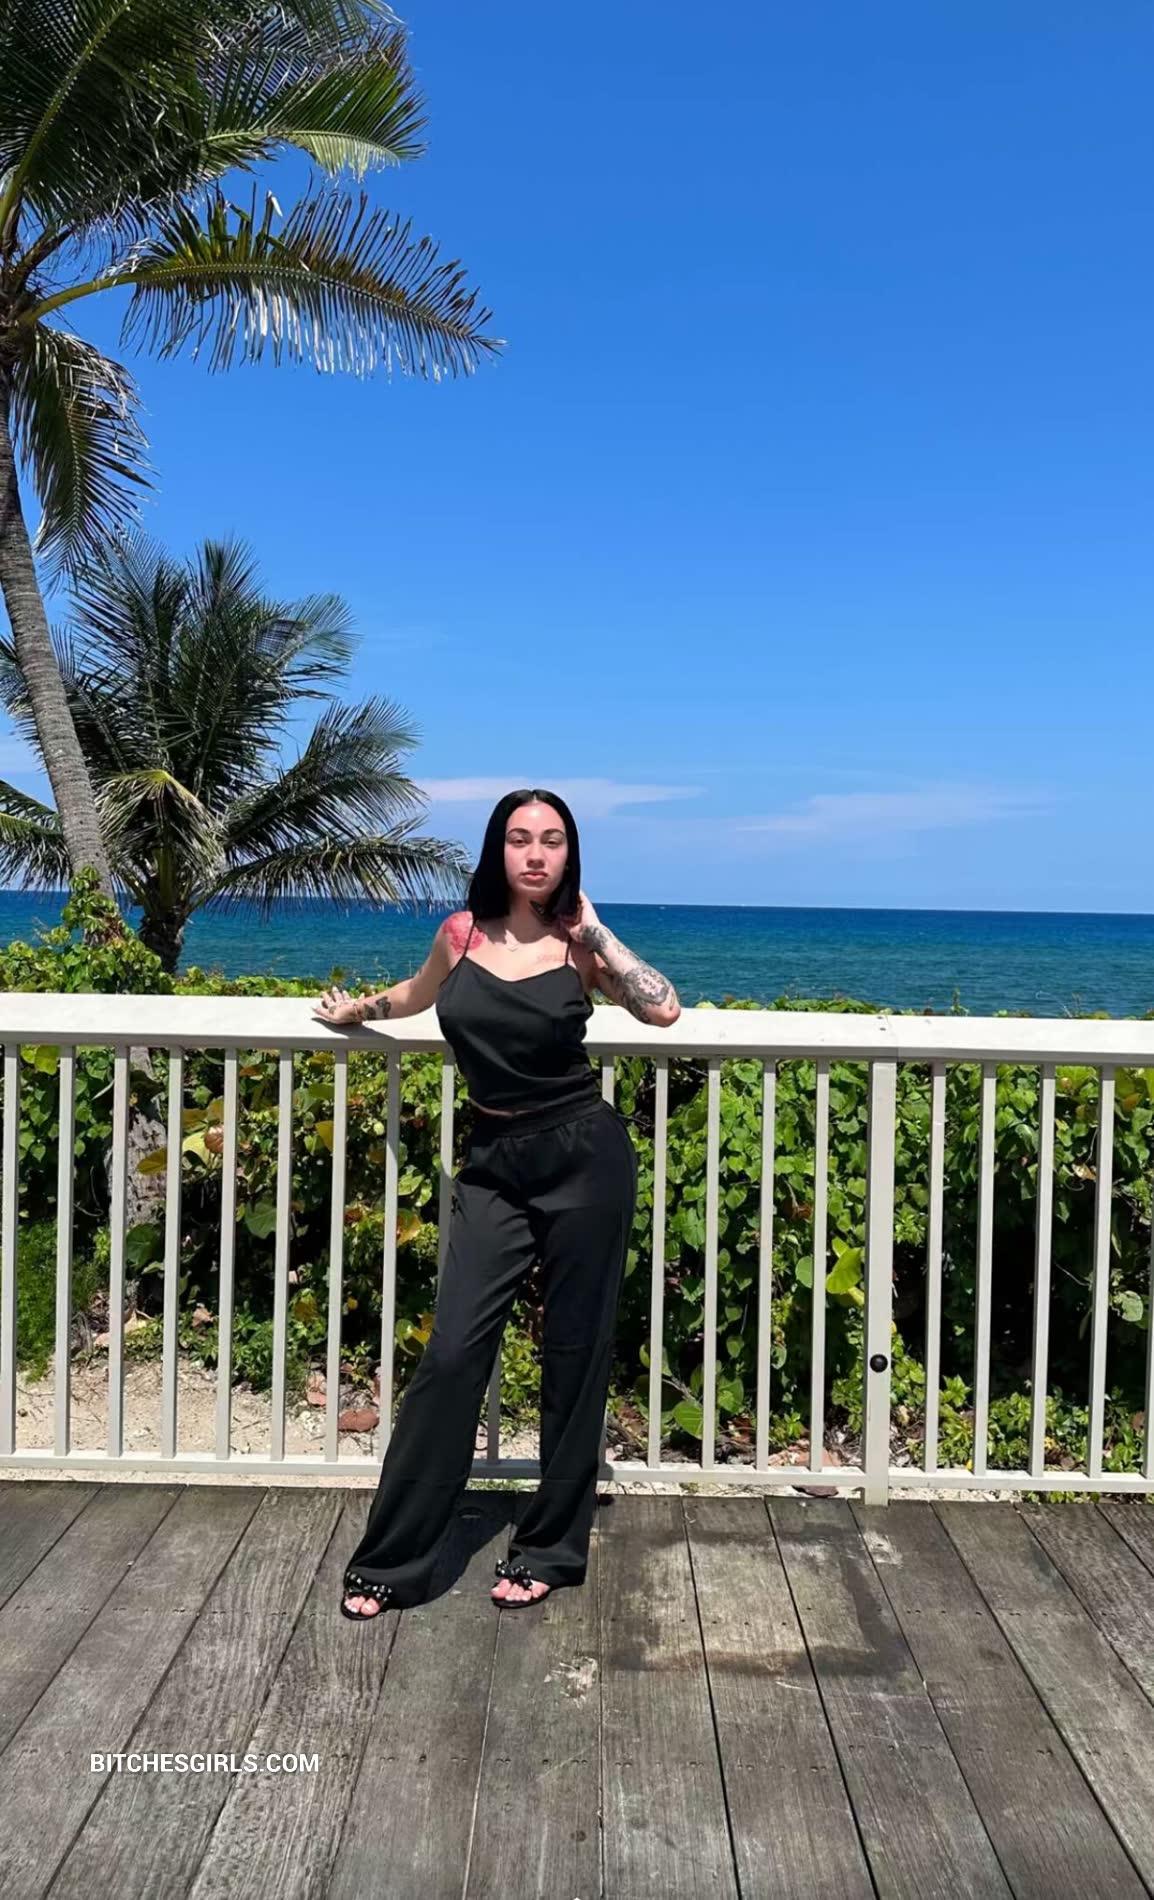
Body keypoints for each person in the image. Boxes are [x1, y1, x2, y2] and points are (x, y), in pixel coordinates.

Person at [312, 787, 680, 1620]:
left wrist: (597, 931)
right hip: (492, 1163)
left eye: (552, 840)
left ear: (569, 854)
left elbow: (662, 1009)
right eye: (520, 839)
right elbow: (417, 994)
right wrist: (358, 1011)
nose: (536, 854)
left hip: (584, 1158)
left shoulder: (578, 948)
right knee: (451, 1354)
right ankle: (395, 1557)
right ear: (497, 850)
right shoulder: (462, 935)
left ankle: (549, 1550)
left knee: (575, 1355)